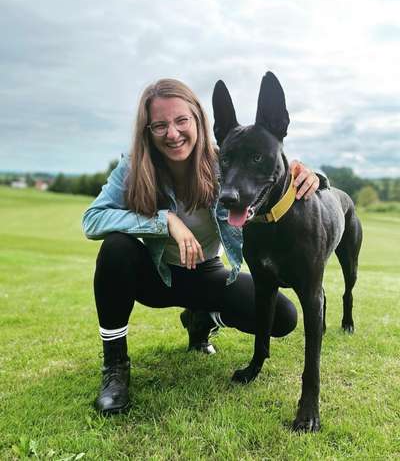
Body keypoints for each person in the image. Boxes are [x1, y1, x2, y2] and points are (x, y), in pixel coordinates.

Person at [82, 78, 324, 415]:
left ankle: (203, 319)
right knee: (115, 248)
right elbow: (91, 220)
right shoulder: (133, 166)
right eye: (160, 125)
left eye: (181, 120)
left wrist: (313, 174)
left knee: (282, 317)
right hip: (157, 278)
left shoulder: (224, 160)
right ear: (147, 130)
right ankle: (115, 367)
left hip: (207, 275)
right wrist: (164, 221)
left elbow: (269, 166)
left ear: (199, 120)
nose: (172, 133)